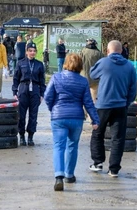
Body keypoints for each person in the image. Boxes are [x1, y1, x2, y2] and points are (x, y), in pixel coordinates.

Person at [44, 53, 100, 191]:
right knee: (72, 146)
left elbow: (47, 97)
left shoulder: (56, 77)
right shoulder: (83, 81)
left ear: (65, 63)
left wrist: (53, 109)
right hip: (76, 118)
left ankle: (58, 176)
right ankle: (69, 175)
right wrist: (95, 119)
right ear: (80, 65)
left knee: (58, 146)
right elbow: (88, 102)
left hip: (59, 117)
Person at [89, 40, 137, 177]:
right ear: (121, 51)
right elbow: (133, 89)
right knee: (118, 138)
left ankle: (97, 163)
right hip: (120, 106)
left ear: (107, 51)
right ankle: (114, 169)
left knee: (97, 134)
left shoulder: (104, 62)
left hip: (102, 105)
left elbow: (92, 74)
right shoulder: (129, 66)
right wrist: (126, 103)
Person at [12, 42, 46, 146]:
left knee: (33, 115)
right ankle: (21, 136)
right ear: (26, 52)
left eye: (34, 51)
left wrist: (41, 95)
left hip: (35, 90)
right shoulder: (20, 63)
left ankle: (31, 136)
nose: (32, 53)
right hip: (23, 89)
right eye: (30, 51)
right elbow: (16, 78)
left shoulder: (39, 64)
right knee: (21, 115)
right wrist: (15, 92)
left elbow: (42, 81)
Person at [80, 38, 103, 118]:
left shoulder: (82, 51)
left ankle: (84, 113)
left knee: (83, 97)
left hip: (83, 78)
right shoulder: (99, 53)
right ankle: (93, 117)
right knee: (94, 99)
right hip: (95, 79)